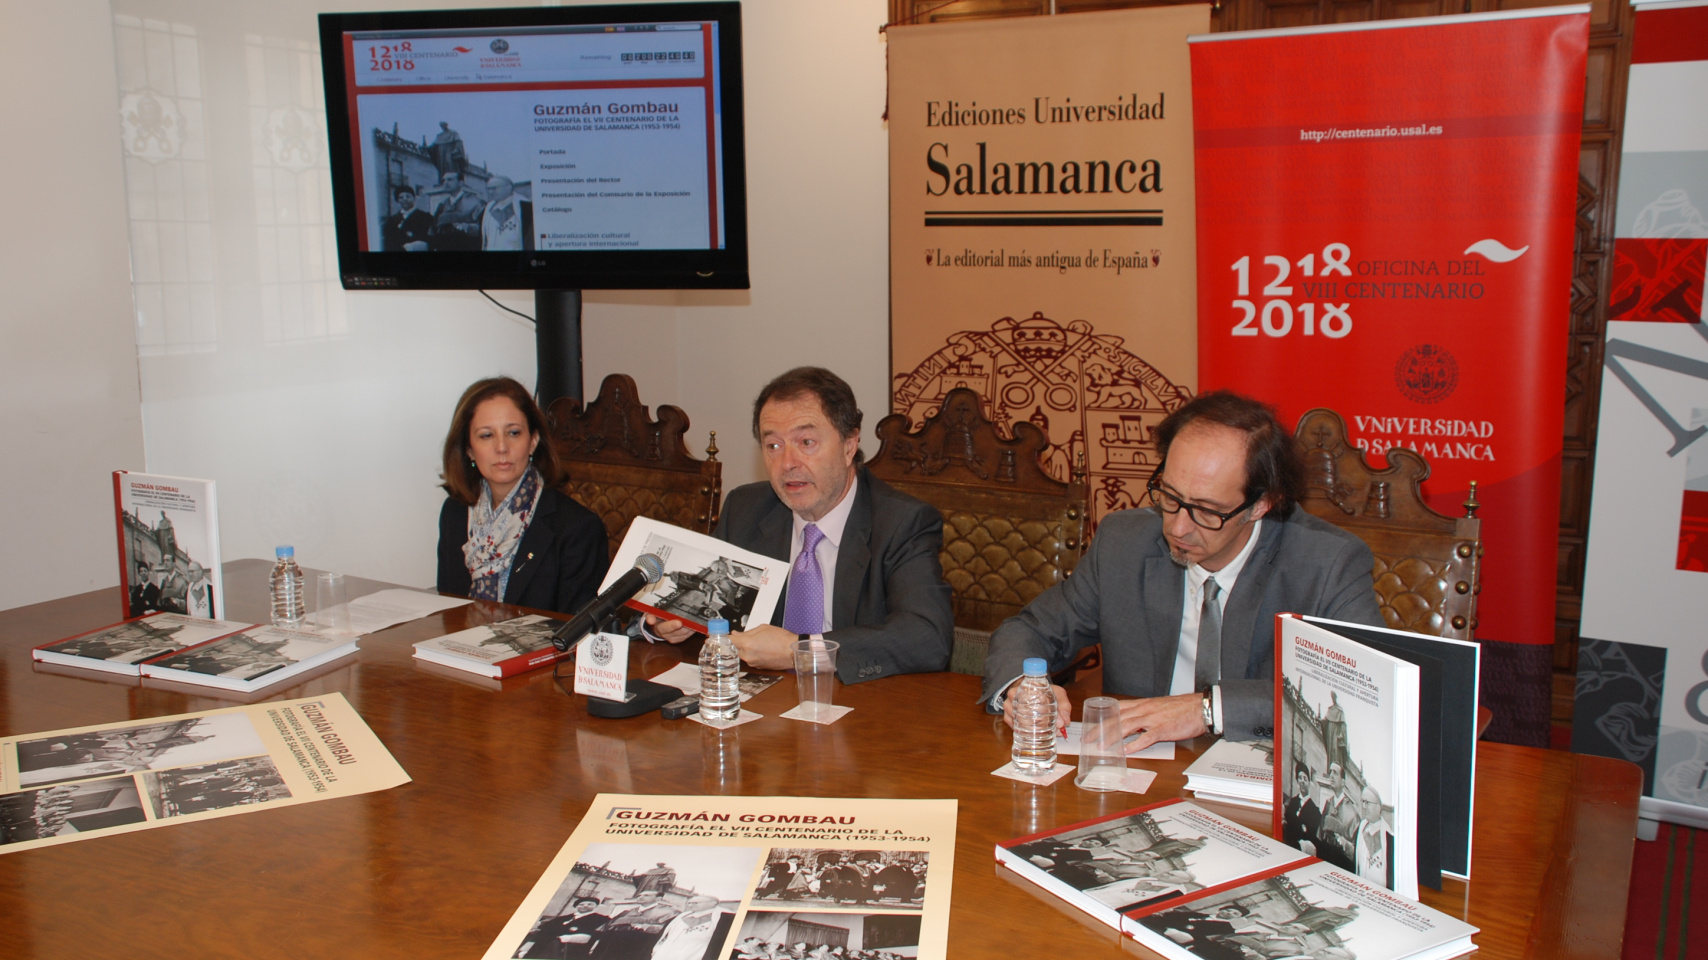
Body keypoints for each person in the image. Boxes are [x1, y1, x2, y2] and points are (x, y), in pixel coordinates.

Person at [981, 391, 1383, 749]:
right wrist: (1022, 685)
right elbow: (1028, 630)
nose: (1176, 527)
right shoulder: (1125, 543)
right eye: (1170, 497)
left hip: (1253, 792)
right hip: (1139, 772)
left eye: (1207, 511)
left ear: (1261, 504)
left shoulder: (1328, 563)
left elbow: (1364, 694)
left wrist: (1209, 709)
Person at [647, 367, 953, 683]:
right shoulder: (746, 509)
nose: (787, 463)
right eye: (773, 446)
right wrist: (666, 624)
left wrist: (802, 650)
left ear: (849, 445)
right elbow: (708, 603)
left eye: (806, 441)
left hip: (860, 707)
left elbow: (927, 637)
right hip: (764, 706)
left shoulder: (901, 523)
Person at [436, 377, 607, 615]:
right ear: (468, 449)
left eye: (513, 433)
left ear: (533, 441)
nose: (502, 447)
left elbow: (578, 633)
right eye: (486, 435)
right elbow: (448, 612)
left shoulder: (577, 528)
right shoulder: (454, 513)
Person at [522, 897, 607, 959]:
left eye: (590, 904)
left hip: (569, 951)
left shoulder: (600, 919)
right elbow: (544, 930)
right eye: (581, 904)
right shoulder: (563, 918)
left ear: (596, 906)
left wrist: (567, 938)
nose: (585, 906)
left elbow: (596, 935)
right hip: (542, 947)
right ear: (576, 907)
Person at [1314, 761, 1359, 873]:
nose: (1331, 775)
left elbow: (1355, 852)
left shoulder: (1352, 813)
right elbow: (1320, 835)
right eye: (1330, 772)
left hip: (1341, 866)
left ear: (1343, 782)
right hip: (1324, 862)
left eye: (1335, 773)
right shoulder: (1328, 804)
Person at [649, 895, 722, 960]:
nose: (690, 905)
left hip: (696, 952)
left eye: (695, 903)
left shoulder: (720, 919)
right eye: (689, 903)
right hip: (670, 951)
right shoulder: (680, 917)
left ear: (713, 903)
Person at [1351, 784, 1395, 889]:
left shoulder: (1388, 837)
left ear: (1378, 806)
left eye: (1367, 803)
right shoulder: (1361, 828)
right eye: (1363, 802)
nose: (1364, 806)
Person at [429, 170, 485, 250]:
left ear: (461, 183)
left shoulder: (475, 203)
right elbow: (433, 230)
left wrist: (466, 227)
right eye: (444, 180)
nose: (445, 183)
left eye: (450, 180)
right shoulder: (442, 206)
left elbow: (483, 229)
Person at [1281, 762, 1323, 854]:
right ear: (1297, 782)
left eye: (1305, 778)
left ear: (1309, 782)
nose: (1302, 781)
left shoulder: (1315, 811)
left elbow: (1309, 835)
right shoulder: (1292, 802)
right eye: (1300, 778)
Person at [481, 176, 530, 251]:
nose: (490, 192)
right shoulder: (489, 207)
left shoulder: (524, 205)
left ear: (509, 187)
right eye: (489, 189)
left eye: (494, 188)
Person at [381, 185, 433, 251]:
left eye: (408, 196)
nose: (404, 199)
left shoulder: (425, 217)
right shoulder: (392, 220)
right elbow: (388, 240)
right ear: (397, 201)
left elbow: (430, 239)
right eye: (401, 197)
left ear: (414, 198)